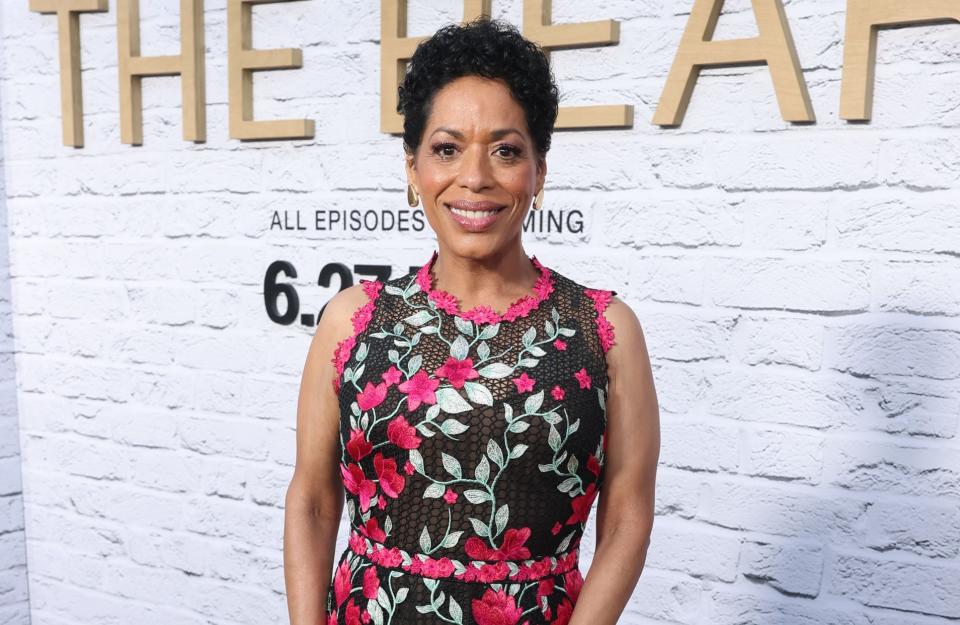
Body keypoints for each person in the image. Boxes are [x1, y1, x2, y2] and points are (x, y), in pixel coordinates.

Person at [284, 16, 660, 625]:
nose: (476, 177)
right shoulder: (352, 318)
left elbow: (626, 519)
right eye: (447, 148)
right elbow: (313, 500)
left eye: (506, 150)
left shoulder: (605, 331)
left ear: (539, 171)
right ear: (413, 169)